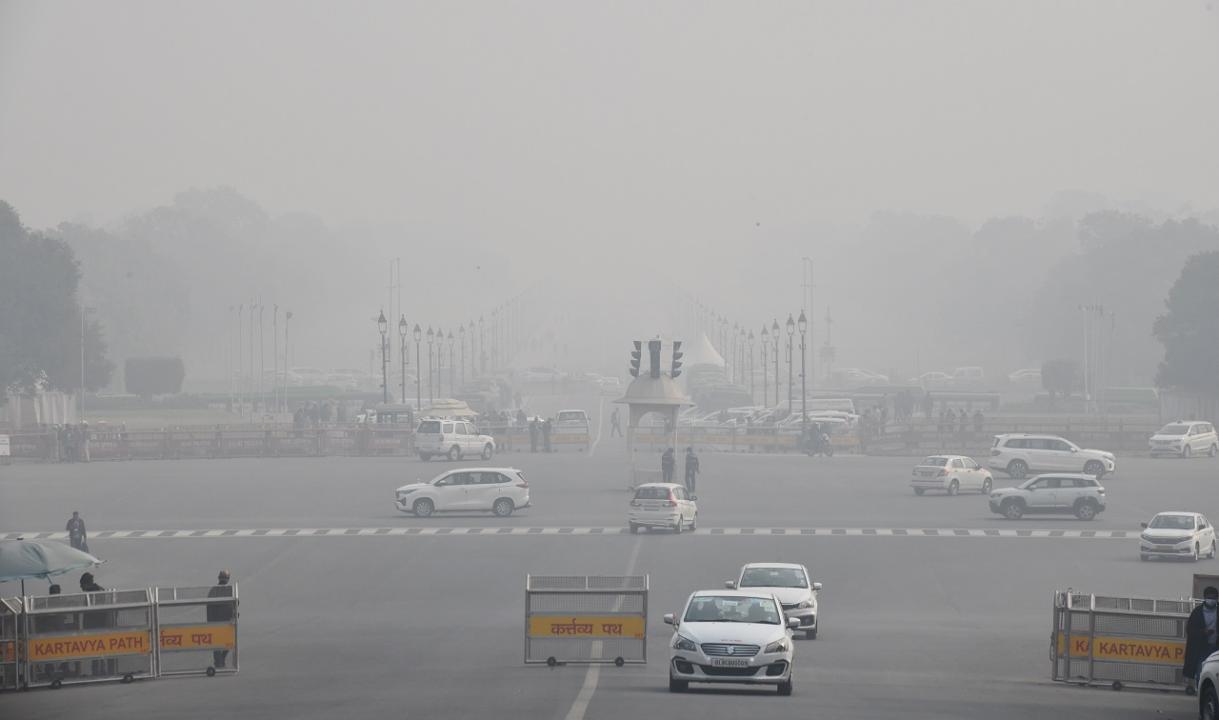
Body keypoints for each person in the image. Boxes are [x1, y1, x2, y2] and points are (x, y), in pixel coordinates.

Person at [1185, 587, 1219, 693]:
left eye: (1214, 598)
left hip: (1216, 648)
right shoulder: (1197, 612)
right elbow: (1190, 629)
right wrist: (1203, 632)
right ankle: (1202, 693)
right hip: (1201, 648)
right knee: (1201, 671)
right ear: (1205, 598)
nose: (1212, 600)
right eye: (1209, 597)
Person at [208, 570, 235, 669]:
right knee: (227, 642)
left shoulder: (213, 590)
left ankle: (219, 661)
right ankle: (220, 661)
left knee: (218, 644)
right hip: (225, 622)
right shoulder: (229, 590)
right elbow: (235, 604)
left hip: (216, 621)